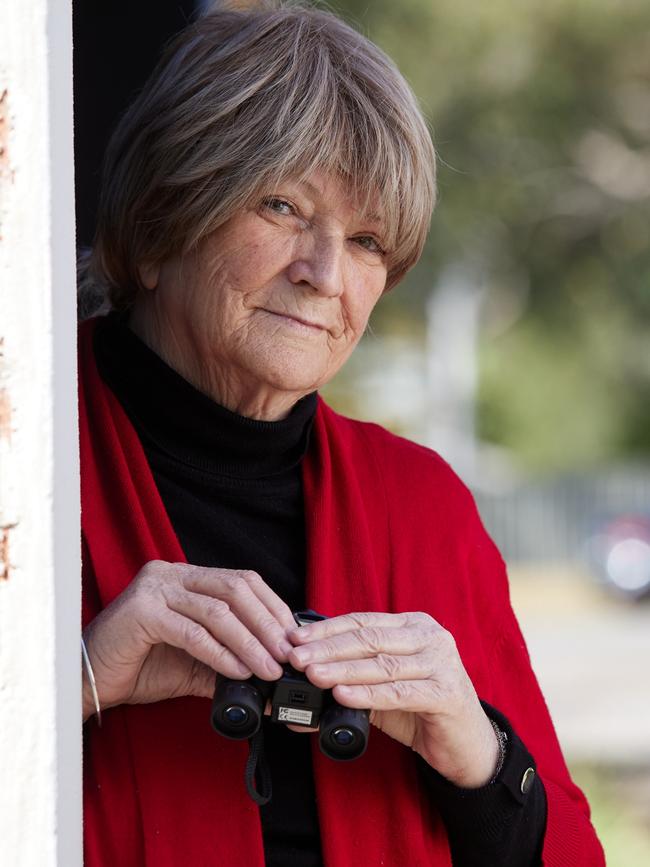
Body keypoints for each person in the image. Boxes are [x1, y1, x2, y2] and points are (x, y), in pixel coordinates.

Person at [78, 2, 605, 865]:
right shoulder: (23, 456)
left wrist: (478, 755)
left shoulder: (423, 504)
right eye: (283, 205)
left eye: (366, 239)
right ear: (157, 224)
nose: (325, 275)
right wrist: (78, 680)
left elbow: (570, 850)